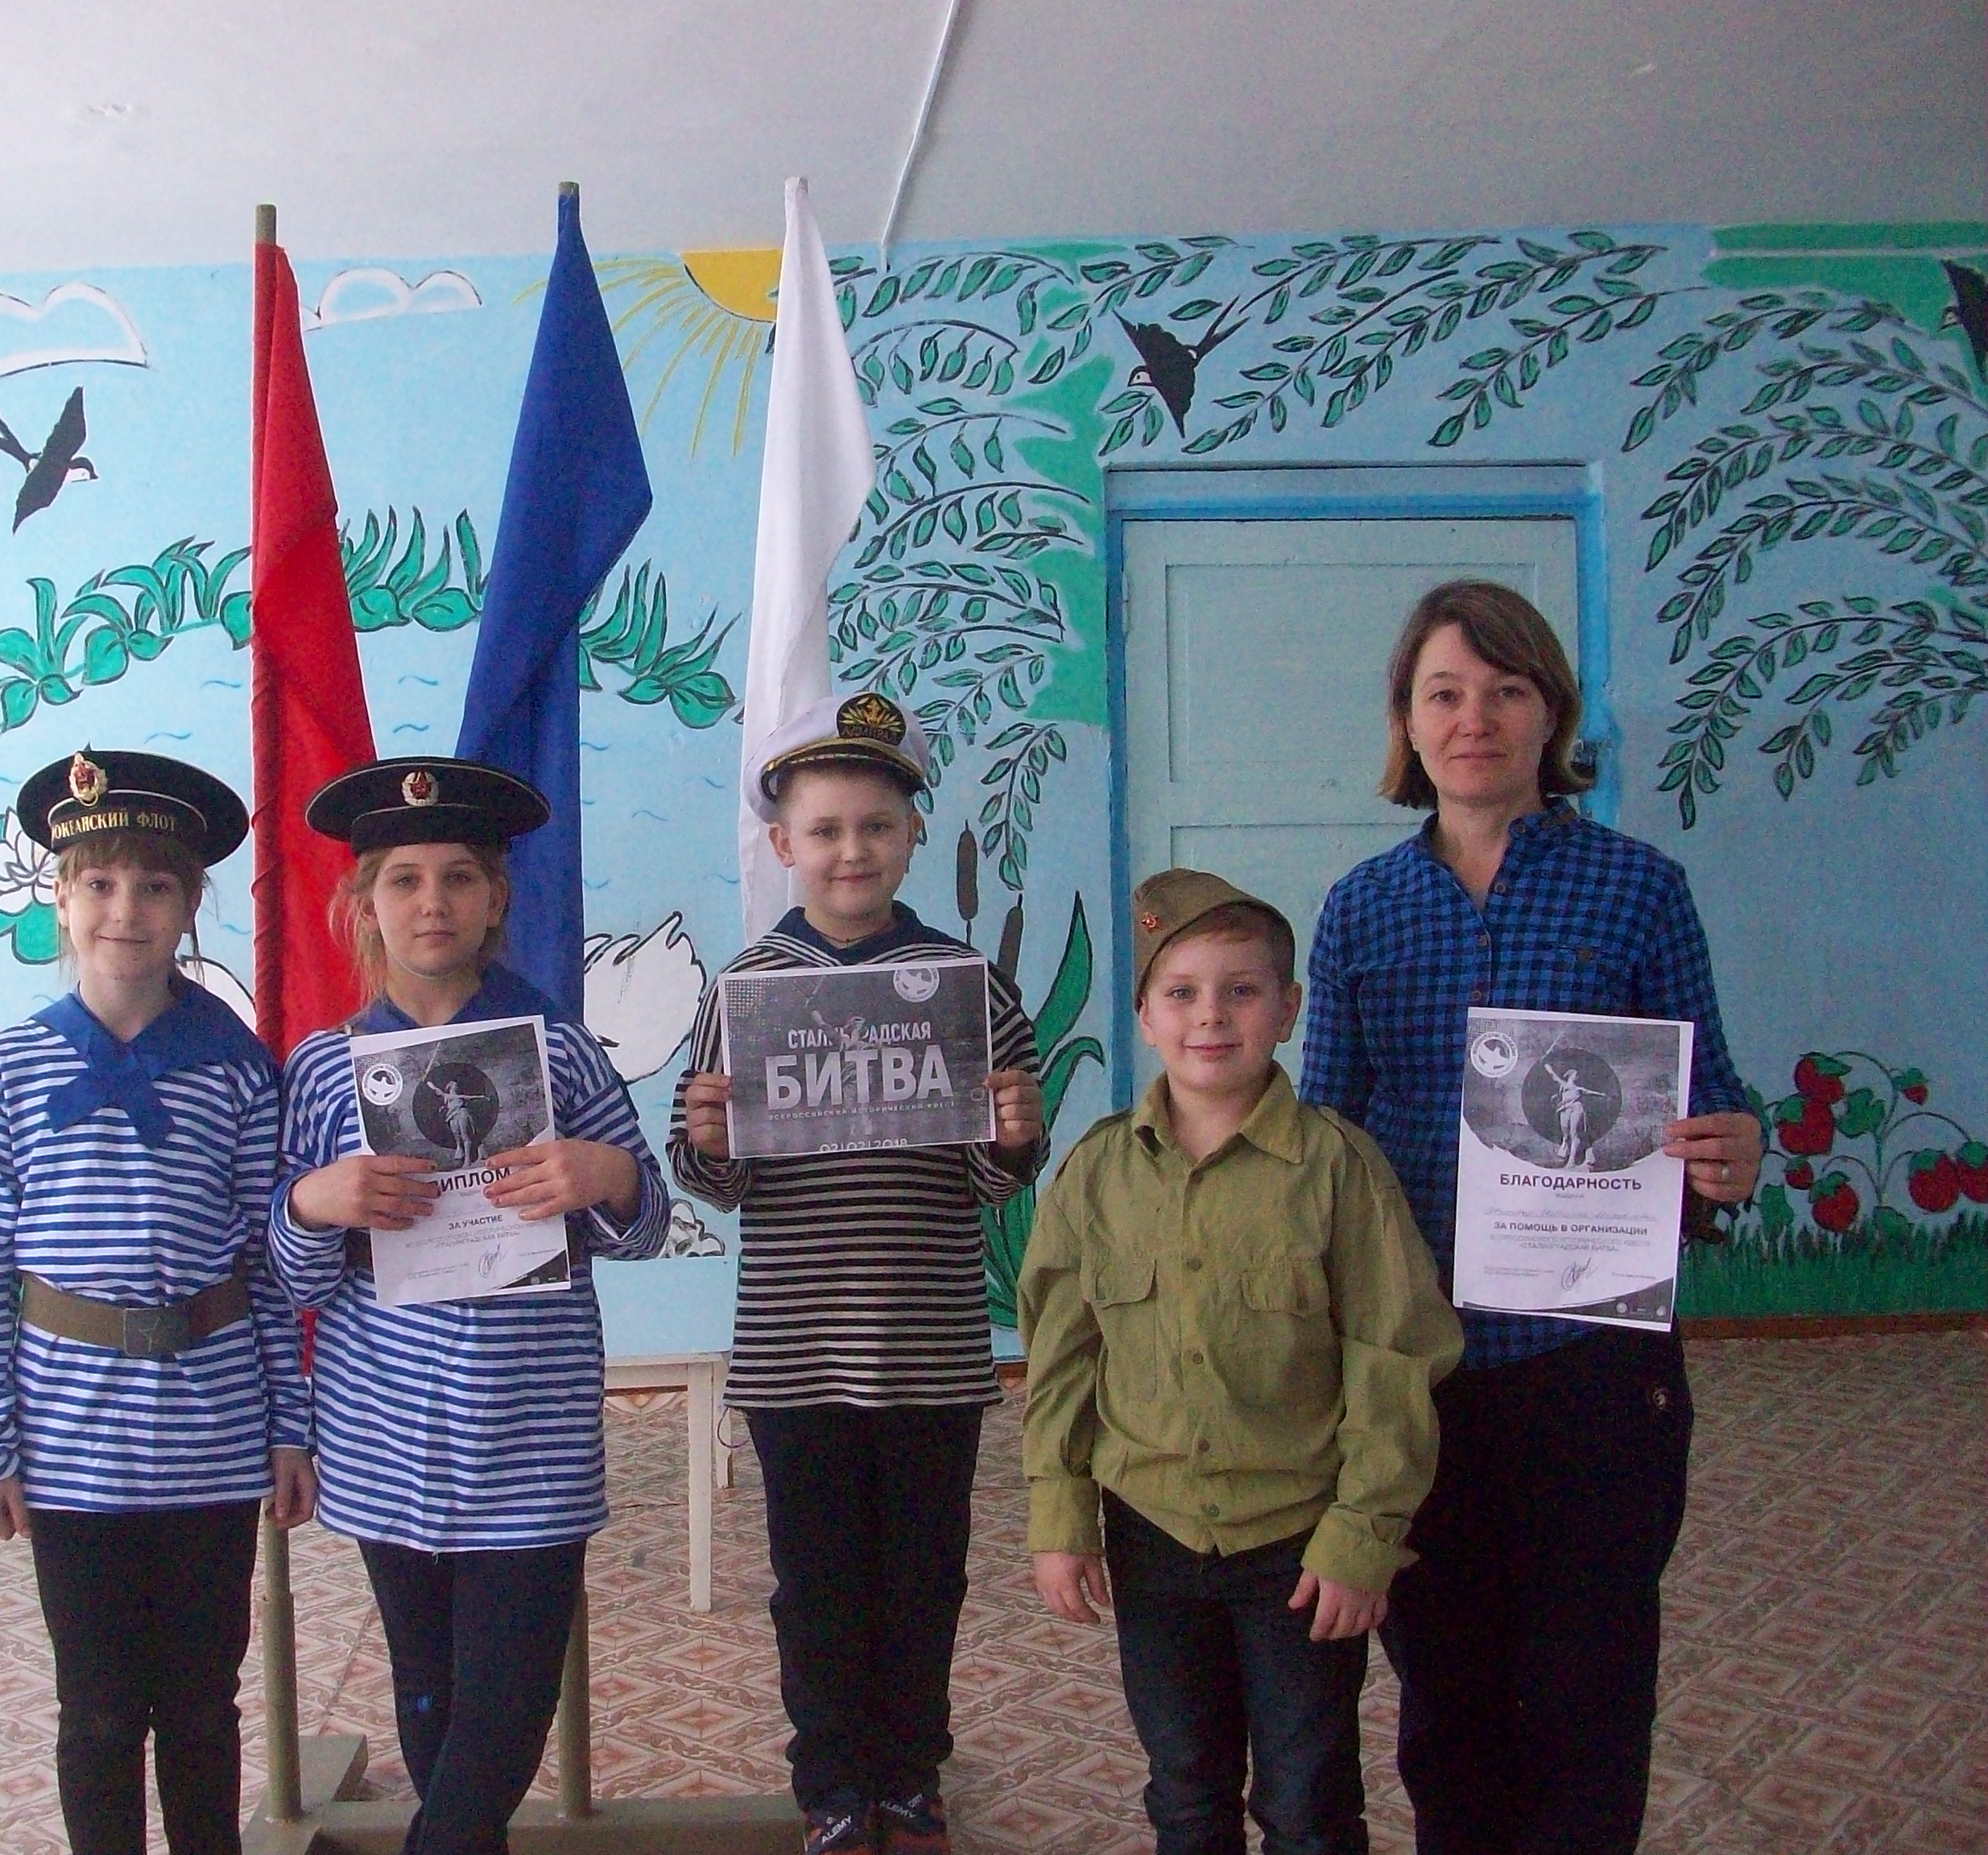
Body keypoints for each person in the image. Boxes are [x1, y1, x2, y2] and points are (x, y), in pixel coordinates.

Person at [1301, 581, 1763, 1855]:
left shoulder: (1638, 889)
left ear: (1551, 713)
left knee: (1587, 1684)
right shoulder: (1362, 907)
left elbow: (1714, 1095)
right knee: (1445, 1689)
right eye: (1445, 693)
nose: (1476, 719)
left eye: (1507, 691)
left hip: (1591, 1358)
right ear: (1406, 719)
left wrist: (1736, 1150)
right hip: (1417, 1362)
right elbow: (1326, 1134)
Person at [668, 692, 1047, 1855]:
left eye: (876, 826)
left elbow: (994, 1180)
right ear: (783, 843)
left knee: (926, 1582)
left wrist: (1017, 1138)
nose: (851, 850)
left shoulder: (966, 982)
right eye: (826, 829)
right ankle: (833, 1783)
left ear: (914, 833)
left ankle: (912, 1774)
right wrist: (709, 1140)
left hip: (932, 1350)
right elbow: (713, 1179)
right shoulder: (747, 988)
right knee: (816, 1587)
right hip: (795, 1356)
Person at [270, 756, 670, 1855]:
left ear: (497, 899)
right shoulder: (322, 1070)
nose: (432, 901)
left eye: (459, 876)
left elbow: (643, 1227)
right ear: (365, 906)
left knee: (503, 1713)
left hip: (531, 1443)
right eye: (403, 879)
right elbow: (293, 1281)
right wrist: (312, 1204)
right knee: (430, 1699)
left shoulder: (560, 1051)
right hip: (385, 1445)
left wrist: (608, 1177)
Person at [1019, 870, 1461, 1855]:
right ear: (1144, 1016)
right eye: (1181, 992)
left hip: (1299, 1545)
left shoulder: (1341, 1169)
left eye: (1242, 990)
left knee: (1308, 1799)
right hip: (1151, 1535)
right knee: (1184, 1790)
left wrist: (1364, 1534)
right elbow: (1060, 1360)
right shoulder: (1095, 1173)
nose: (1210, 1016)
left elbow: (1395, 1358)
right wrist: (1060, 1517)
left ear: (1290, 1009)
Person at [0, 749, 316, 1855]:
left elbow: (268, 1263)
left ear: (191, 904)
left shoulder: (240, 1069)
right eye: (99, 883)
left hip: (209, 1433)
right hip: (70, 1440)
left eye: (156, 886)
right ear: (60, 897)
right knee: (99, 1710)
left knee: (201, 1705)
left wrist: (289, 1430)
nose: (126, 910)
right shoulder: (5, 1070)